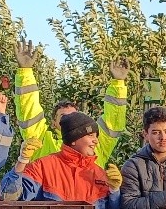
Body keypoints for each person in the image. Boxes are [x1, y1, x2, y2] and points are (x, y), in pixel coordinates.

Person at [0, 111, 123, 209]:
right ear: (74, 139)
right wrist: (22, 161)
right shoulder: (44, 166)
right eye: (91, 135)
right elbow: (9, 197)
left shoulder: (100, 174)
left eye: (96, 136)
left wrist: (115, 190)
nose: (96, 141)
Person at [12, 40, 129, 171]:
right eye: (62, 117)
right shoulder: (42, 142)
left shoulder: (94, 145)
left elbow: (113, 122)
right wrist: (25, 71)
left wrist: (118, 83)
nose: (69, 119)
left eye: (73, 115)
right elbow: (29, 111)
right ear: (53, 124)